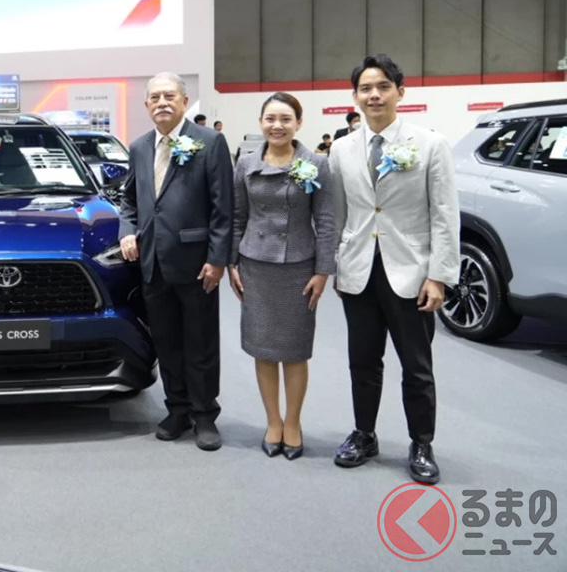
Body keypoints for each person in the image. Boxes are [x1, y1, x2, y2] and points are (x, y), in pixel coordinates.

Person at [328, 54, 459, 484]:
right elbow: (340, 214)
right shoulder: (342, 149)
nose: (374, 95)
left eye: (383, 86)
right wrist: (337, 265)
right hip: (359, 270)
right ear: (355, 97)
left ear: (400, 92)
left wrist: (439, 276)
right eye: (366, 88)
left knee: (416, 366)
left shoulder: (429, 144)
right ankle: (364, 435)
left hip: (413, 273)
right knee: (362, 362)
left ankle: (421, 442)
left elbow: (445, 214)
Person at [118, 73, 233, 451]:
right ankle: (177, 409)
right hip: (153, 263)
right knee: (167, 343)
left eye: (169, 96)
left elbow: (223, 207)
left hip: (197, 263)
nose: (162, 102)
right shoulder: (139, 147)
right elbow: (129, 201)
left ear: (184, 101)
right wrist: (127, 230)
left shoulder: (210, 142)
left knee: (200, 343)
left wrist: (217, 259)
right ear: (146, 105)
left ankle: (204, 414)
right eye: (154, 97)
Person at [229, 93, 335, 461]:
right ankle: (273, 421)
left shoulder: (316, 164)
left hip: (298, 266)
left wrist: (323, 271)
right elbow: (238, 216)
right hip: (255, 264)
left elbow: (325, 220)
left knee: (294, 350)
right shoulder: (245, 163)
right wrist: (231, 263)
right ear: (261, 123)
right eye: (270, 119)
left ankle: (293, 422)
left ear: (299, 123)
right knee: (263, 348)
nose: (277, 126)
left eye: (286, 119)